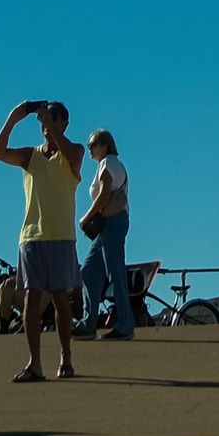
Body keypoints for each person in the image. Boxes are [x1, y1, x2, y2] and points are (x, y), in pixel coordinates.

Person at [0, 100, 85, 382]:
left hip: (61, 235)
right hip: (31, 236)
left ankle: (66, 359)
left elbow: (71, 154)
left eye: (52, 120)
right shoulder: (30, 156)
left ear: (63, 124)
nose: (45, 125)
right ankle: (35, 364)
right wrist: (12, 118)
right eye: (44, 121)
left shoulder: (74, 152)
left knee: (60, 299)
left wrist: (52, 128)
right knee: (31, 299)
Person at [81, 129, 133, 340]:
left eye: (92, 144)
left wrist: (86, 217)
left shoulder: (108, 164)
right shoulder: (109, 165)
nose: (89, 148)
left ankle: (125, 325)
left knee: (115, 273)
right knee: (89, 271)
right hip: (110, 224)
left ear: (104, 145)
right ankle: (88, 323)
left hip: (113, 221)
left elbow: (103, 195)